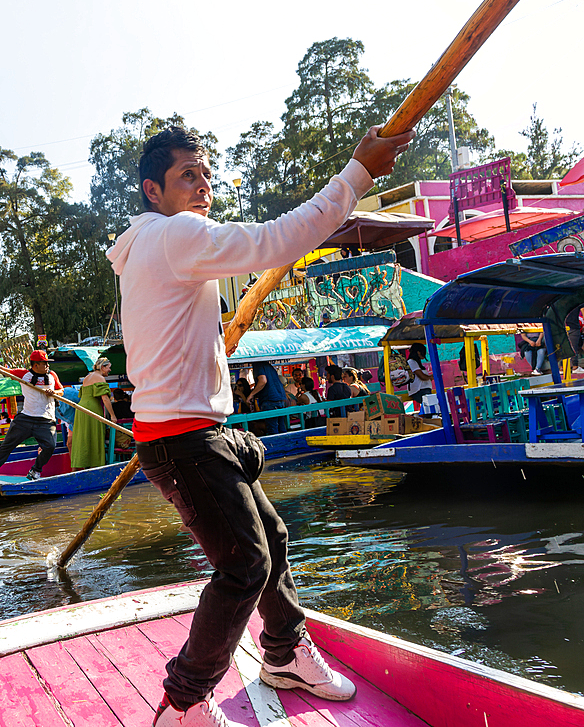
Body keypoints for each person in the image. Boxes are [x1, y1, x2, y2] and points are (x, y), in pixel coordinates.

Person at [107, 122, 408, 725]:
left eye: (204, 172)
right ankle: (183, 704)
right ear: (152, 191)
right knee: (245, 565)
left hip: (196, 434)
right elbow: (280, 238)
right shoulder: (177, 235)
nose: (202, 184)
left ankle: (286, 653)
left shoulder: (151, 245)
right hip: (182, 439)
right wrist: (359, 171)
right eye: (186, 175)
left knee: (270, 538)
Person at [0, 350, 64, 481]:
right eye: (44, 363)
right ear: (35, 365)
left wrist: (54, 393)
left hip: (46, 420)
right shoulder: (24, 375)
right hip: (26, 418)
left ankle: (35, 470)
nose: (47, 366)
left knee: (50, 446)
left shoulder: (52, 375)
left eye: (47, 363)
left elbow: (61, 391)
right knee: (8, 444)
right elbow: (1, 369)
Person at [71, 357, 117, 470]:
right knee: (94, 437)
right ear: (103, 367)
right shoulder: (100, 378)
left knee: (82, 438)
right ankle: (94, 465)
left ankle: (79, 466)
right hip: (92, 410)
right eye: (109, 368)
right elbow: (105, 399)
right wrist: (112, 415)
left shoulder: (87, 377)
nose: (110, 370)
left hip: (81, 409)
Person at [246, 360, 287, 435]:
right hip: (280, 398)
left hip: (270, 400)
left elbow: (263, 381)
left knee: (273, 429)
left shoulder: (258, 365)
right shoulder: (269, 366)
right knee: (281, 427)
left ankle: (275, 445)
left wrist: (251, 394)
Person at [407, 343, 434, 409]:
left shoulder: (417, 362)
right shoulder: (411, 362)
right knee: (431, 407)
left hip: (423, 389)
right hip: (419, 390)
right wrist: (431, 377)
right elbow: (422, 376)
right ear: (418, 352)